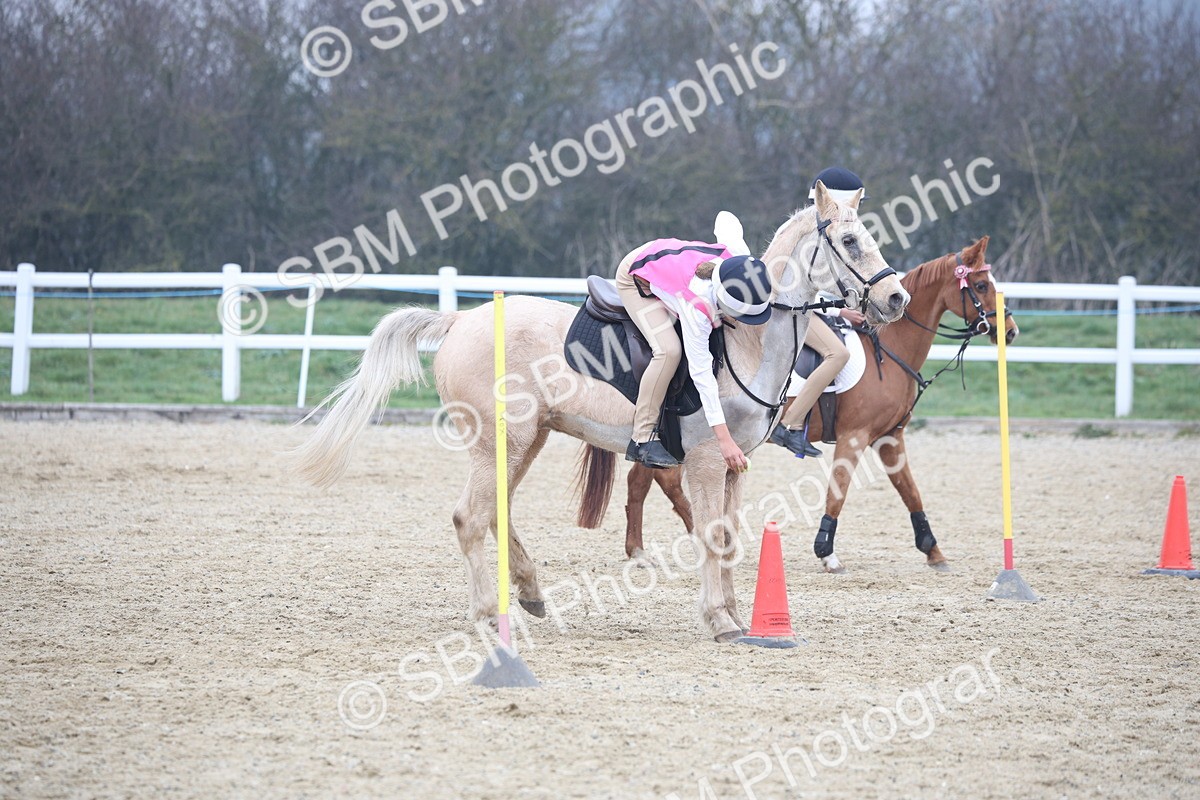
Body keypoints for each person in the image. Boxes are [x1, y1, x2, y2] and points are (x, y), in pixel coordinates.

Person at [616, 215, 771, 472]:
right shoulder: (697, 309)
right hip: (635, 275)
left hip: (665, 257)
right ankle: (641, 437)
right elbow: (702, 376)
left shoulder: (739, 260)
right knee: (669, 351)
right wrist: (724, 440)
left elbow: (725, 219)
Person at [770, 167, 868, 457]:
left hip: (807, 307)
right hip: (792, 311)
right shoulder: (811, 232)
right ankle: (790, 424)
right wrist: (841, 313)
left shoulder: (808, 226)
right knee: (838, 354)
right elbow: (809, 285)